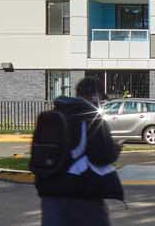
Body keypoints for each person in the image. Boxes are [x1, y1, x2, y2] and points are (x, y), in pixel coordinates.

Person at [35, 76, 124, 226]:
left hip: (50, 194)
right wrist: (115, 149)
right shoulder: (91, 117)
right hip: (81, 194)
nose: (101, 103)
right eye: (101, 98)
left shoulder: (54, 114)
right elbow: (102, 157)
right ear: (95, 96)